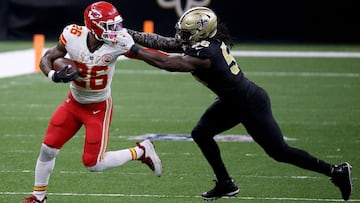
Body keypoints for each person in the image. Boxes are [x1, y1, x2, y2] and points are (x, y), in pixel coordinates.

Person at [127, 7, 353, 201]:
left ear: (201, 32)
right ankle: (226, 183)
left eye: (186, 32)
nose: (181, 36)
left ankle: (336, 171)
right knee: (201, 133)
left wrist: (133, 49)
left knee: (280, 152)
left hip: (250, 104)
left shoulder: (206, 54)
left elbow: (168, 63)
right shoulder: (204, 41)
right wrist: (126, 34)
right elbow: (165, 43)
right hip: (231, 102)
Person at [20, 1, 162, 203]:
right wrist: (53, 75)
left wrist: (187, 60)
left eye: (116, 24)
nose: (116, 30)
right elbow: (49, 56)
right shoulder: (72, 34)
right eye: (109, 25)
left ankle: (140, 151)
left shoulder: (118, 42)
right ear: (95, 26)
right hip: (73, 103)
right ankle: (38, 197)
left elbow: (156, 57)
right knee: (47, 149)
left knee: (93, 163)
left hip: (98, 107)